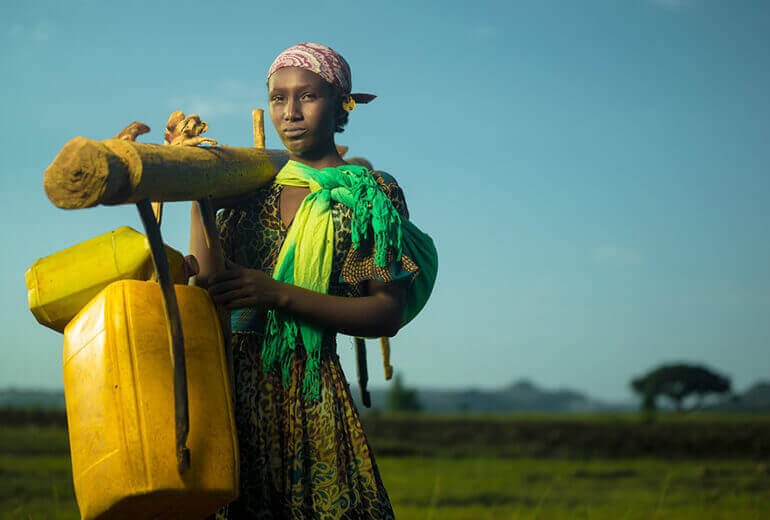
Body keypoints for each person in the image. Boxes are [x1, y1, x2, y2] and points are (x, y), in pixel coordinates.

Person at [190, 42, 436, 518]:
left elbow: (386, 312)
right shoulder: (250, 185)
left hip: (309, 390)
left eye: (307, 96)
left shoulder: (369, 195)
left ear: (342, 105)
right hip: (227, 392)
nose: (291, 113)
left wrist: (278, 294)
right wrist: (201, 196)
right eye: (278, 98)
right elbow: (206, 288)